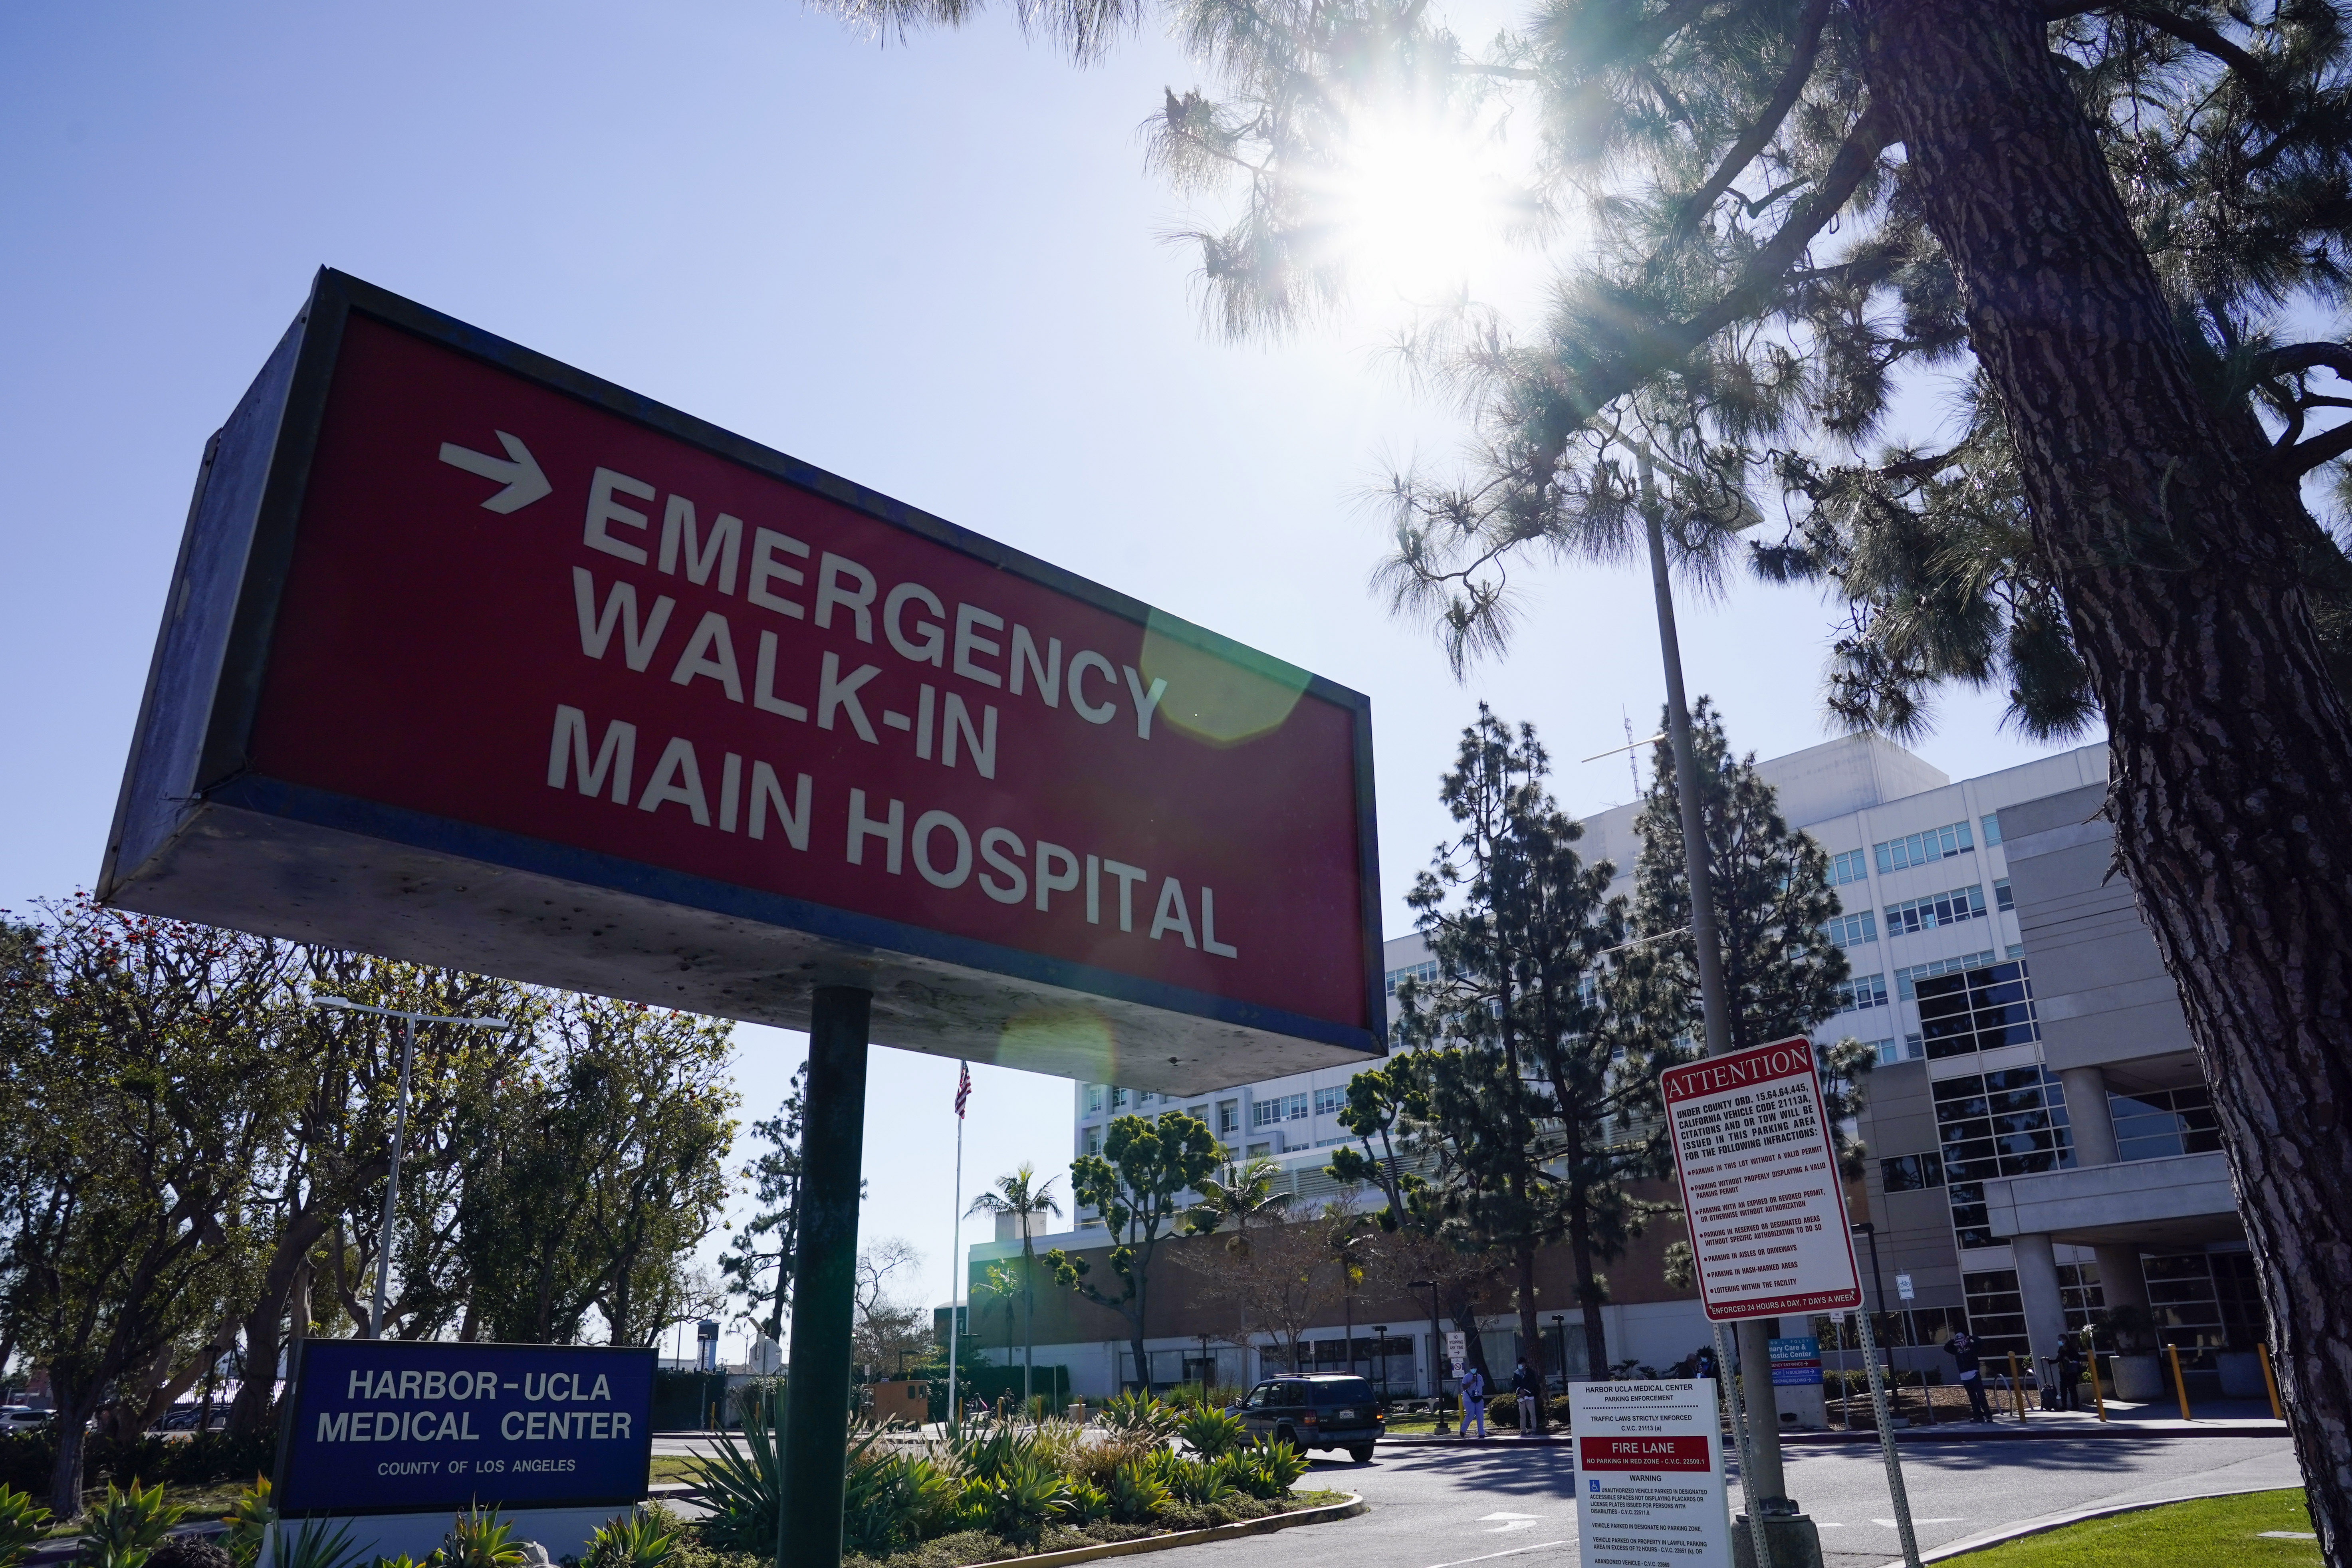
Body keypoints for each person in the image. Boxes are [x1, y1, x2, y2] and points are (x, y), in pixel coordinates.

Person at [1946, 1330, 1994, 1422]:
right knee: (1973, 1398)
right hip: (1964, 1376)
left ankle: (1988, 1415)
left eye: (1962, 1340)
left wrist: (1971, 1338)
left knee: (1981, 1396)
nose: (1961, 1343)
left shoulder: (1971, 1347)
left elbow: (1980, 1342)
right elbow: (1947, 1348)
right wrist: (1953, 1341)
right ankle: (1978, 1416)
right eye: (1958, 1341)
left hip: (1974, 1374)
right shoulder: (1956, 1350)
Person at [2057, 1336, 2087, 1412]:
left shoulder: (2070, 1349)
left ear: (2065, 1340)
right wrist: (2049, 1361)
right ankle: (2064, 1406)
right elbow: (2058, 1359)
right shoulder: (2061, 1349)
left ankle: (2075, 1406)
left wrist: (2070, 1360)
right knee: (2063, 1390)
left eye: (2060, 1340)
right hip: (2063, 1372)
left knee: (2072, 1389)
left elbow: (2078, 1358)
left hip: (2071, 1372)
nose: (2059, 1341)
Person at [1511, 1358, 1540, 1434]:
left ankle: (1534, 1429)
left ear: (1525, 1364)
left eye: (1522, 1364)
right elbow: (1514, 1384)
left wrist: (1525, 1391)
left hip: (1530, 1396)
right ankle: (1523, 1430)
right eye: (1519, 1364)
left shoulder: (1531, 1373)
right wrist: (1519, 1390)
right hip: (1521, 1397)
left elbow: (1533, 1384)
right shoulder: (1516, 1373)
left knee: (1532, 1414)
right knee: (1522, 1415)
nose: (1520, 1365)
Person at [1459, 1363, 1487, 1439]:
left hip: (1479, 1398)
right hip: (1469, 1399)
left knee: (1480, 1416)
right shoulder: (1467, 1377)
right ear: (1470, 1368)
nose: (1474, 1369)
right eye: (1472, 1368)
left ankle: (1481, 1433)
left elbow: (1481, 1386)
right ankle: (1463, 1430)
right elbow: (1464, 1387)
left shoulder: (1480, 1377)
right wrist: (1471, 1382)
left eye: (1475, 1368)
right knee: (1471, 1415)